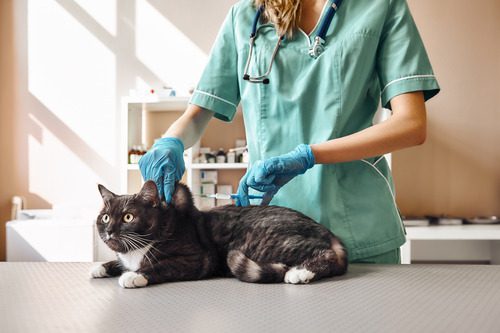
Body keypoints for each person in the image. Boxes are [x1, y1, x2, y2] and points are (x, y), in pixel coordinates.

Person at [139, 0, 440, 264]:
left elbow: (411, 124)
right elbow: (197, 114)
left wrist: (309, 156)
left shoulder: (381, 6)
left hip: (359, 228)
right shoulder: (245, 16)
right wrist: (171, 142)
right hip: (269, 235)